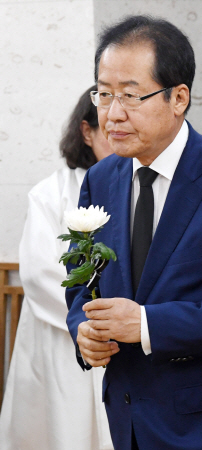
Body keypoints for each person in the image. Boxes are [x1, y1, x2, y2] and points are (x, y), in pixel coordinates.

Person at [65, 16, 202, 450]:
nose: (113, 113)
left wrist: (148, 324)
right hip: (129, 417)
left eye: (130, 95)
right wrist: (83, 330)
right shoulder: (99, 180)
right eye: (104, 94)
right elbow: (82, 282)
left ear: (178, 98)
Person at [0, 86, 113, 450]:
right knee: (66, 430)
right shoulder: (51, 193)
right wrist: (95, 318)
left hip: (121, 335)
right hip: (64, 336)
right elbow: (40, 274)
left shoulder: (135, 185)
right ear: (86, 132)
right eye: (108, 129)